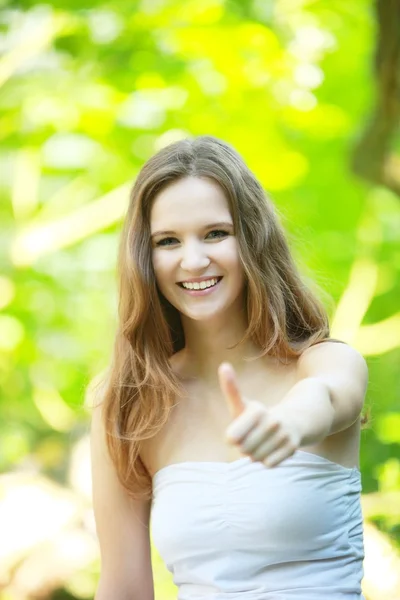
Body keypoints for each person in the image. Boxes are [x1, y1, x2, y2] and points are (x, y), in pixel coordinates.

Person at [90, 135, 368, 600]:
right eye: (168, 241)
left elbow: (328, 395)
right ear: (145, 256)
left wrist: (288, 424)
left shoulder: (323, 363)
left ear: (253, 239)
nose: (194, 260)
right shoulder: (127, 405)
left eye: (216, 233)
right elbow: (123, 588)